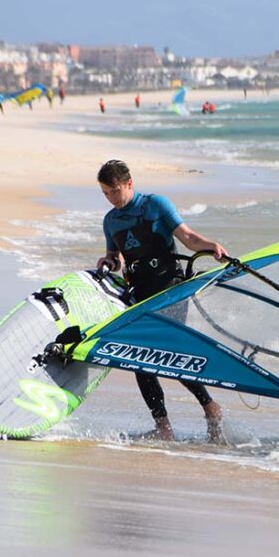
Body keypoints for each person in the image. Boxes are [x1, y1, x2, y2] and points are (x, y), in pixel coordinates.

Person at [96, 159, 228, 441]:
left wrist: (210, 246)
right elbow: (116, 258)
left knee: (168, 352)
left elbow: (188, 237)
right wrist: (108, 261)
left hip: (170, 289)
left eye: (115, 191)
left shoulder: (156, 205)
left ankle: (209, 406)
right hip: (140, 295)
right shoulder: (110, 221)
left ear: (129, 184)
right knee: (139, 361)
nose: (111, 198)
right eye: (106, 193)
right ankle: (164, 427)